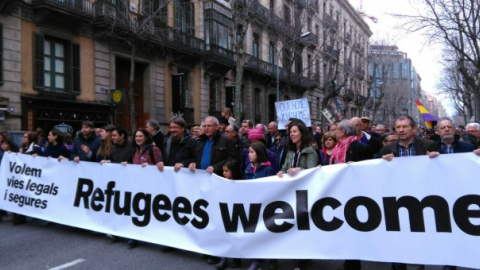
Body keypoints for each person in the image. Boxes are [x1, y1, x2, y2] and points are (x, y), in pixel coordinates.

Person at [378, 115, 440, 270]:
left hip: (422, 199)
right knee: (397, 236)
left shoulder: (429, 145)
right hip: (397, 200)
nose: (401, 130)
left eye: (405, 127)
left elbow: (441, 171)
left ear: (413, 129)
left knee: (419, 235)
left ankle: (419, 264)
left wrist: (436, 159)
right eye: (398, 127)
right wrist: (382, 162)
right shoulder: (387, 149)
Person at [188, 116, 237, 265]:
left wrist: (216, 168)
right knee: (207, 216)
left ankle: (223, 253)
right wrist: (193, 164)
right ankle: (211, 249)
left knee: (220, 218)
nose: (207, 128)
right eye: (205, 126)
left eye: (210, 126)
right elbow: (198, 158)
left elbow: (234, 159)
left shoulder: (226, 141)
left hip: (219, 182)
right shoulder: (201, 141)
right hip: (203, 183)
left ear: (217, 127)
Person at [276, 121, 318, 270]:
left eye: (294, 131)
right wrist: (282, 171)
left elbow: (312, 171)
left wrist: (299, 169)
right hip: (291, 193)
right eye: (290, 132)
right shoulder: (290, 151)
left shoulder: (310, 151)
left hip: (305, 193)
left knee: (303, 224)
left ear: (302, 133)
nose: (291, 134)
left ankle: (304, 259)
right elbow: (285, 167)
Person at [125, 128, 162, 248]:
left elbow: (161, 166)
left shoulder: (154, 150)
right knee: (137, 211)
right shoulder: (134, 151)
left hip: (152, 187)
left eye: (140, 136)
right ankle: (135, 236)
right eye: (136, 136)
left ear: (146, 137)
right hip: (138, 186)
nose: (138, 139)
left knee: (151, 212)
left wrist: (150, 166)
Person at [214, 160, 243, 270]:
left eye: (227, 171)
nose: (224, 173)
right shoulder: (221, 182)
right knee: (225, 235)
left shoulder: (241, 183)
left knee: (236, 236)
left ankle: (236, 259)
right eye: (223, 171)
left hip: (236, 213)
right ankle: (224, 259)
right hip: (226, 212)